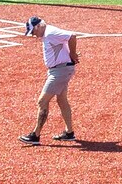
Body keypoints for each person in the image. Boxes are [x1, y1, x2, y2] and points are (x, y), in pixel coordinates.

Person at [18, 16, 79, 144]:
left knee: (42, 101)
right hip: (59, 70)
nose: (34, 35)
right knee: (62, 100)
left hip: (60, 71)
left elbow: (72, 36)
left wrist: (72, 54)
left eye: (33, 32)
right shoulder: (47, 35)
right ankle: (69, 132)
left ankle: (35, 135)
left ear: (38, 26)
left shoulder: (51, 32)